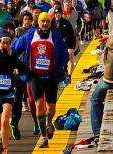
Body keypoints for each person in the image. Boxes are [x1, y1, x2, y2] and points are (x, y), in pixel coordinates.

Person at [14, 12, 68, 147]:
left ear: (50, 23)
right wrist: (17, 65)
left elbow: (64, 54)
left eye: (47, 22)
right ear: (38, 22)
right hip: (34, 76)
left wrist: (60, 67)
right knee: (39, 105)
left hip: (51, 76)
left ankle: (49, 122)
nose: (45, 24)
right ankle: (43, 137)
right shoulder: (29, 35)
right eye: (42, 21)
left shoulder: (55, 35)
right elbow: (15, 48)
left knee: (51, 109)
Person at [0, 30, 28, 154]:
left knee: (5, 120)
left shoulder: (12, 56)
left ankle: (5, 148)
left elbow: (23, 68)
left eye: (8, 43)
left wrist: (19, 74)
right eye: (3, 43)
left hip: (7, 93)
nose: (5, 46)